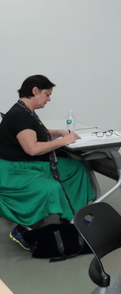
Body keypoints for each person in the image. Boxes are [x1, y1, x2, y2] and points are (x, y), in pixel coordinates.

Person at [0, 75, 93, 250]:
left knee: (76, 168)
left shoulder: (24, 111)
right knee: (51, 187)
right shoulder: (20, 115)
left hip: (28, 164)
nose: (49, 99)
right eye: (47, 94)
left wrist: (58, 132)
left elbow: (35, 132)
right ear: (35, 91)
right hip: (14, 170)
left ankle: (73, 216)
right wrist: (64, 141)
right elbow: (32, 149)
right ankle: (24, 228)